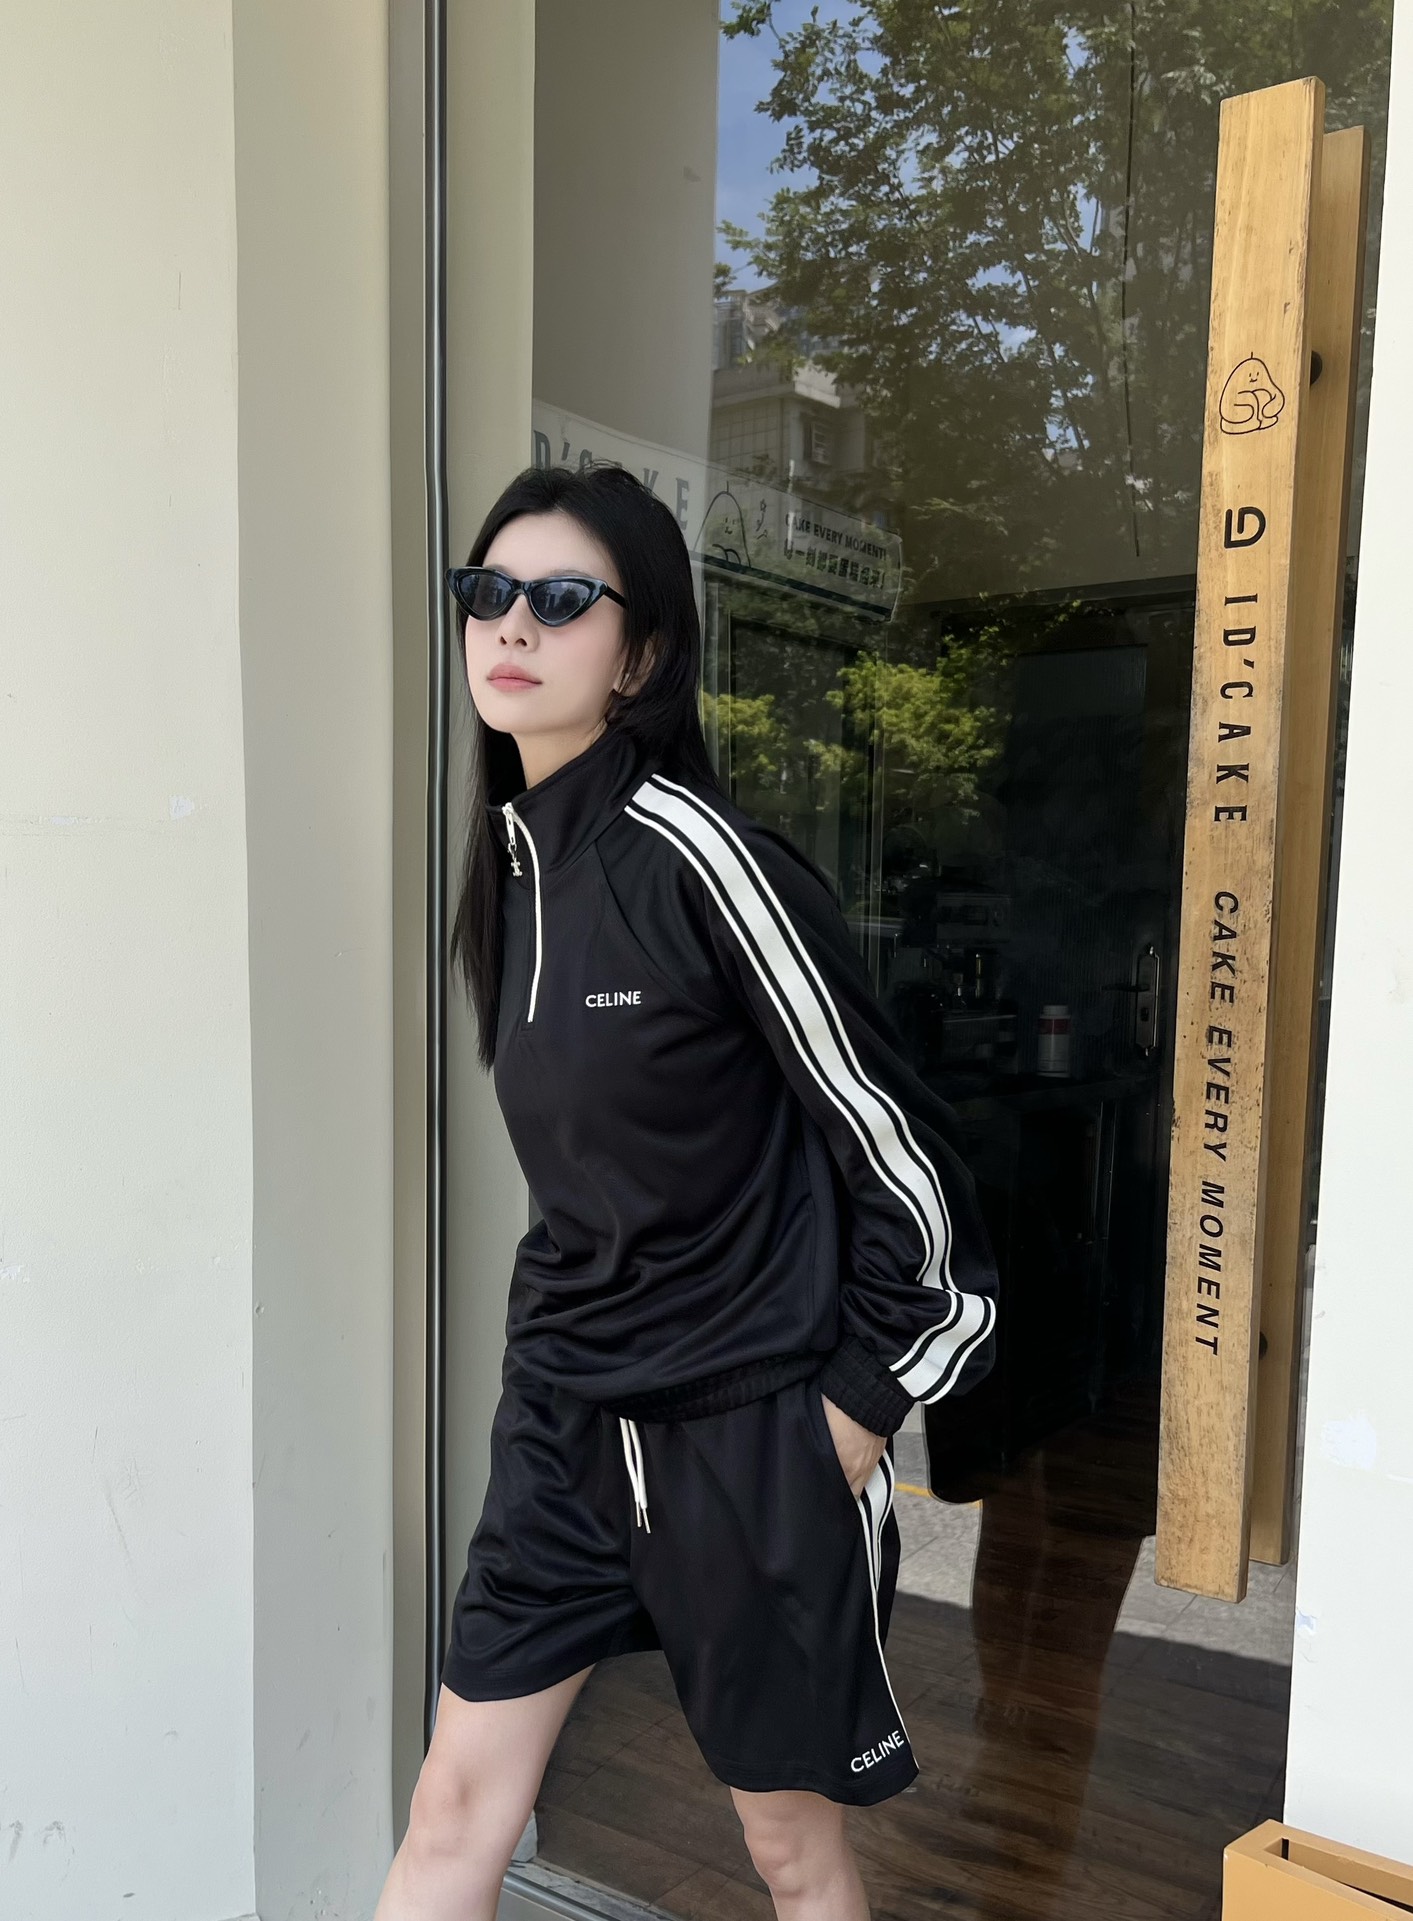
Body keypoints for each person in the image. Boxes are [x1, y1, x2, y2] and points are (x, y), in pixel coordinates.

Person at [374, 462, 999, 1921]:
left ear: (640, 651)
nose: (509, 624)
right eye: (487, 592)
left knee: (790, 1852)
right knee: (452, 1810)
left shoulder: (702, 860)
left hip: (744, 1433)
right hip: (562, 1423)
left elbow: (909, 1166)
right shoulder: (517, 871)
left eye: (559, 598)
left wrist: (849, 1415)